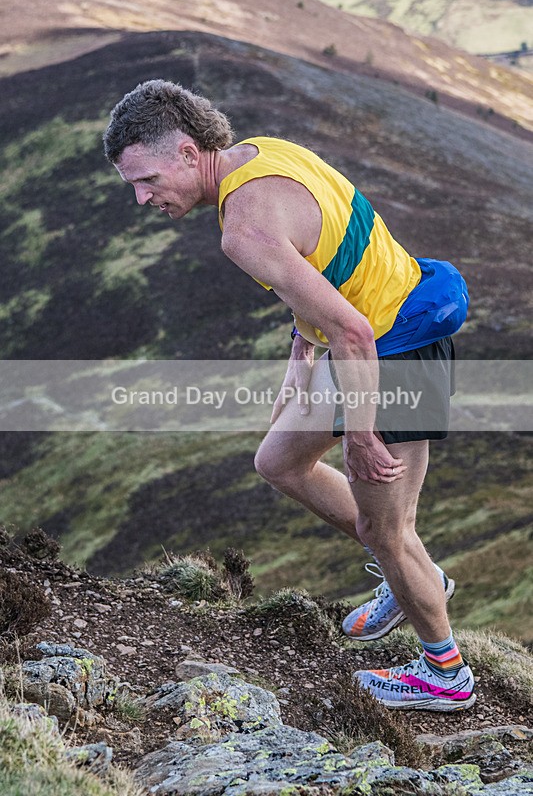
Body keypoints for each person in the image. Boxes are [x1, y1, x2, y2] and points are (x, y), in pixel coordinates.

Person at [104, 79, 475, 711]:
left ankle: (446, 674)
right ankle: (417, 577)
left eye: (146, 179)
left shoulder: (242, 230)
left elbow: (353, 331)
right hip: (380, 334)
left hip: (394, 352)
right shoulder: (261, 153)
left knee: (390, 531)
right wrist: (301, 360)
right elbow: (325, 264)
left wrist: (359, 436)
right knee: (277, 460)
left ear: (191, 153)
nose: (141, 198)